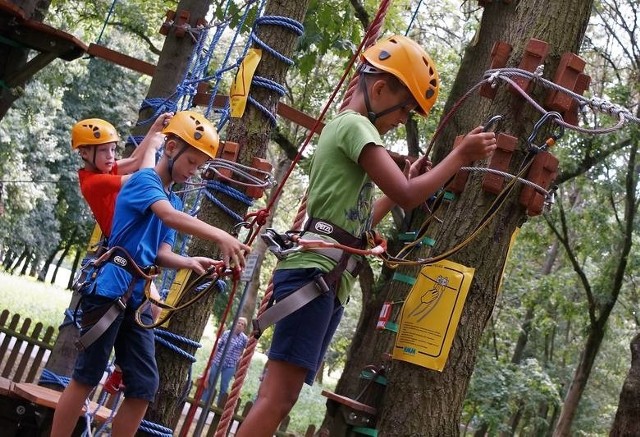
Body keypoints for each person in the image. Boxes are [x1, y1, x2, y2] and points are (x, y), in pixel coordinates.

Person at [236, 35, 498, 437]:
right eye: (404, 109)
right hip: (314, 274)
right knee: (277, 397)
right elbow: (407, 194)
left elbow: (365, 220)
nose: (401, 120)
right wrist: (458, 157)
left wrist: (406, 182)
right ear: (379, 89)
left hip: (326, 276)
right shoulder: (355, 126)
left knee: (281, 397)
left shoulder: (346, 128)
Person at [51, 110, 251, 437]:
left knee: (144, 385)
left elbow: (162, 252)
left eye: (199, 167)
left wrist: (191, 262)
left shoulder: (170, 199)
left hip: (136, 298)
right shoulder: (147, 183)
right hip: (109, 292)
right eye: (191, 163)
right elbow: (168, 217)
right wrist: (221, 235)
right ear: (171, 149)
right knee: (87, 376)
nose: (193, 172)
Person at [72, 114, 173, 321]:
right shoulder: (93, 182)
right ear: (84, 153)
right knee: (151, 309)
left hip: (129, 245)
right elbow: (144, 180)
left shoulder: (106, 170)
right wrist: (153, 148)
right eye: (103, 150)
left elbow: (136, 160)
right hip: (123, 249)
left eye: (112, 149)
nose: (111, 155)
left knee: (152, 310)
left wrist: (154, 128)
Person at [202, 317, 249, 406]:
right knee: (211, 382)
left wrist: (241, 358)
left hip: (230, 365)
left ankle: (219, 405)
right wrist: (211, 360)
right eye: (238, 322)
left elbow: (249, 350)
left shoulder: (244, 339)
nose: (239, 325)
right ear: (235, 323)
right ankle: (204, 402)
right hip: (218, 361)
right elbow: (218, 347)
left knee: (224, 386)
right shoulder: (227, 334)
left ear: (244, 328)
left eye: (242, 324)